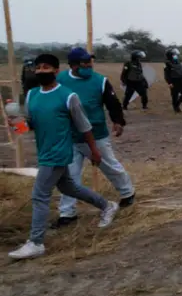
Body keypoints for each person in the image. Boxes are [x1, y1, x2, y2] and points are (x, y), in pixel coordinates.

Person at [8, 54, 120, 260]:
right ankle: (107, 205)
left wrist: (94, 150)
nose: (41, 71)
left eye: (46, 67)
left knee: (40, 195)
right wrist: (16, 124)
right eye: (38, 68)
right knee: (70, 188)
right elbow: (31, 124)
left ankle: (36, 242)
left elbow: (84, 126)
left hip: (58, 152)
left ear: (56, 71)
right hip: (44, 150)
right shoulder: (32, 95)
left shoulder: (68, 96)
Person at [53, 47, 135, 228]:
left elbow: (112, 102)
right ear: (73, 65)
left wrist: (118, 121)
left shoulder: (100, 81)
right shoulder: (60, 81)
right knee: (69, 176)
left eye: (90, 62)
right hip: (70, 136)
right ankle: (67, 213)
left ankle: (127, 193)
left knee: (110, 166)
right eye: (85, 63)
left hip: (96, 134)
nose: (89, 66)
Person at [163, 48, 182, 113]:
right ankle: (176, 109)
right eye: (174, 55)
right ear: (170, 55)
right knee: (174, 96)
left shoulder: (177, 62)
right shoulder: (167, 64)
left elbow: (181, 71)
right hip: (173, 81)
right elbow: (167, 75)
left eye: (176, 55)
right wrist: (169, 83)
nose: (176, 56)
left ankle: (176, 105)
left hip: (181, 80)